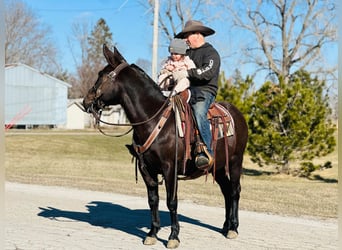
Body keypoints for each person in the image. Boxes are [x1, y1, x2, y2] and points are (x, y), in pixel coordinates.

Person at [172, 20, 221, 171]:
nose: (186, 39)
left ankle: (206, 151)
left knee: (199, 111)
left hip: (205, 91)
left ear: (198, 34)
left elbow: (208, 72)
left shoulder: (211, 53)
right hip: (186, 89)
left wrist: (186, 73)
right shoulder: (186, 53)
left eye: (188, 35)